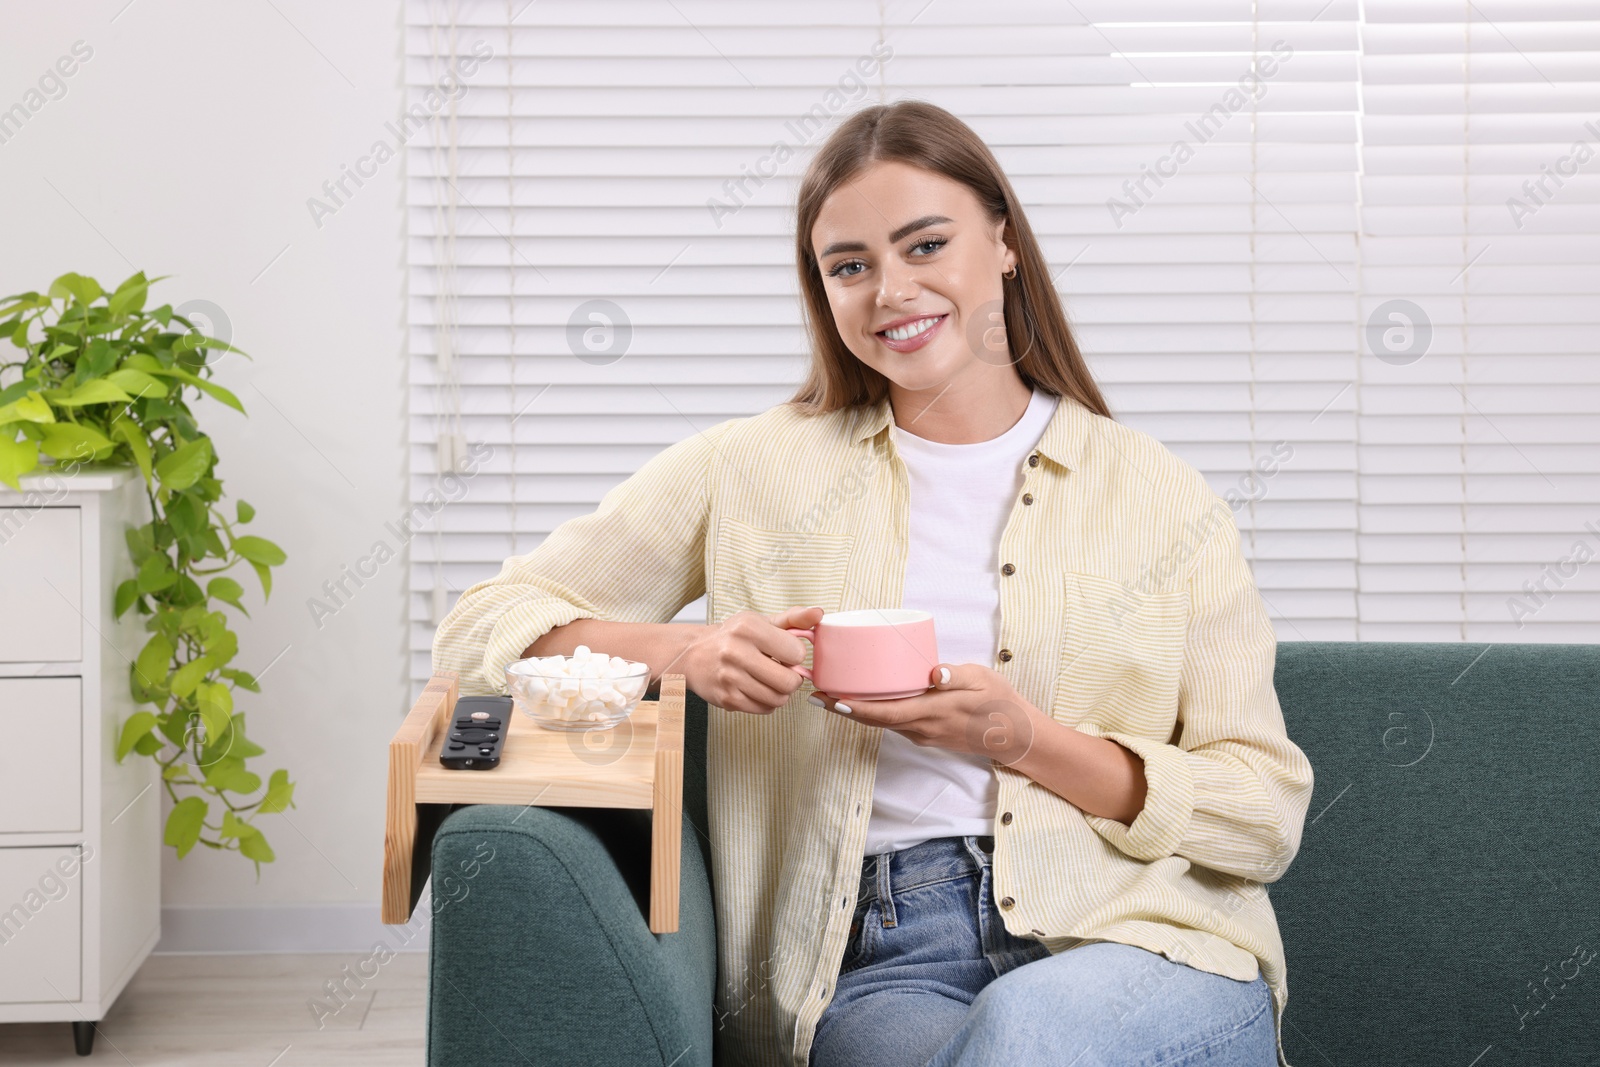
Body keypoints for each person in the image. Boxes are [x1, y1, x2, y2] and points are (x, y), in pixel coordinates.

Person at [432, 99, 1314, 1067]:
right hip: (877, 956)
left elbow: (1263, 810)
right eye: (848, 265)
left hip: (1138, 932)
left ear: (1004, 242)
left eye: (924, 243)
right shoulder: (750, 467)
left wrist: (1024, 740)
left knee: (1026, 1037)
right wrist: (687, 651)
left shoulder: (1161, 496)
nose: (889, 290)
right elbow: (483, 625)